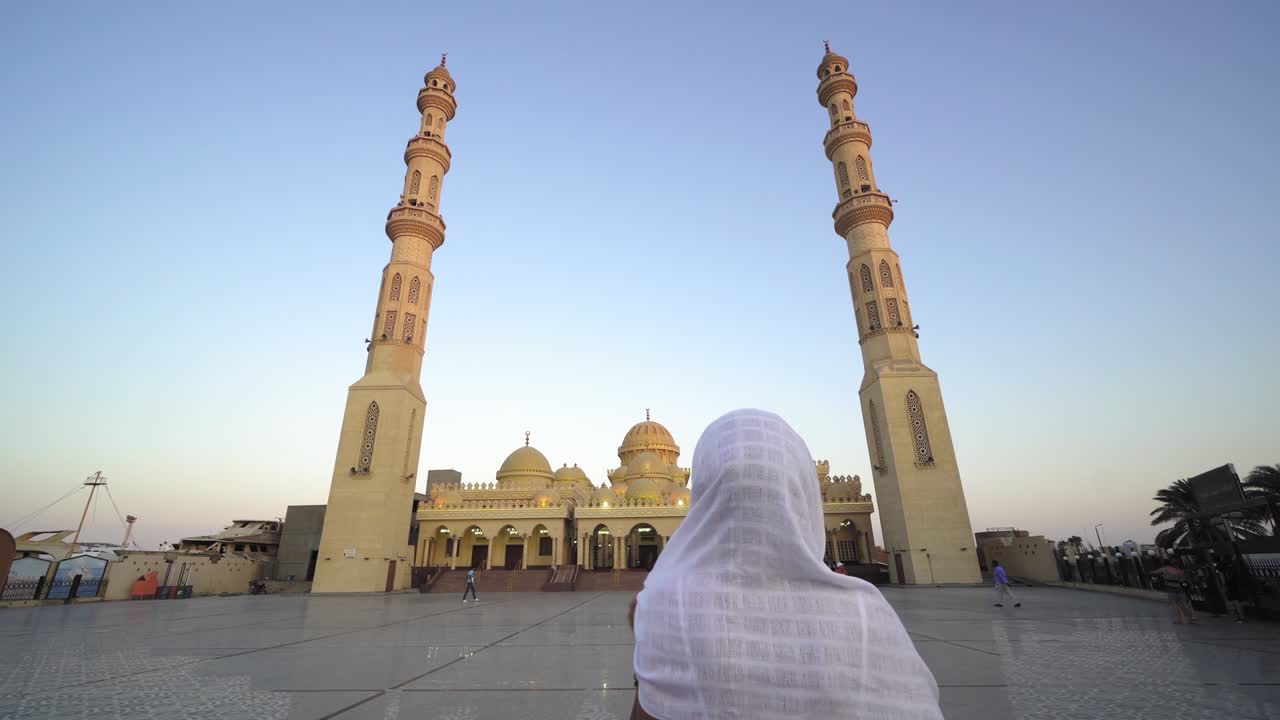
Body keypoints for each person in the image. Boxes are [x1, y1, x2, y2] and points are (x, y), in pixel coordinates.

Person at [630, 409, 942, 720]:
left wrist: (650, 632)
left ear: (704, 488)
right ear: (800, 489)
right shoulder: (866, 614)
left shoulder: (666, 604)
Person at [1151, 560, 1195, 625]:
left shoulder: (1165, 569)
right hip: (1180, 589)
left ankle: (1178, 620)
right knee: (1184, 604)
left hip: (1171, 589)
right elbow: (1184, 580)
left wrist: (1150, 572)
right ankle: (1190, 618)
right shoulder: (1180, 571)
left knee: (1174, 605)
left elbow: (1154, 572)